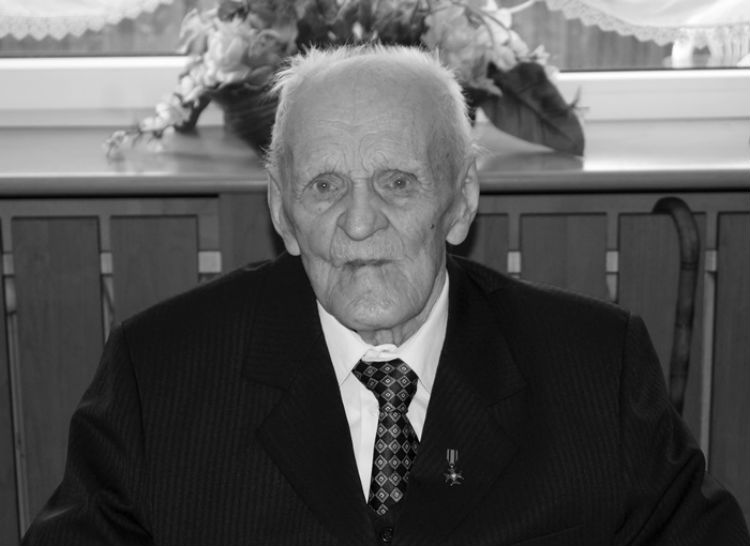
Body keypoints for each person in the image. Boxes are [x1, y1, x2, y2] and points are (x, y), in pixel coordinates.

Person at [23, 45, 749, 546]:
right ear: (281, 210)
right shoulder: (159, 373)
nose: (359, 222)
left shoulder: (595, 368)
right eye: (325, 185)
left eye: (398, 183)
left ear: (461, 202)